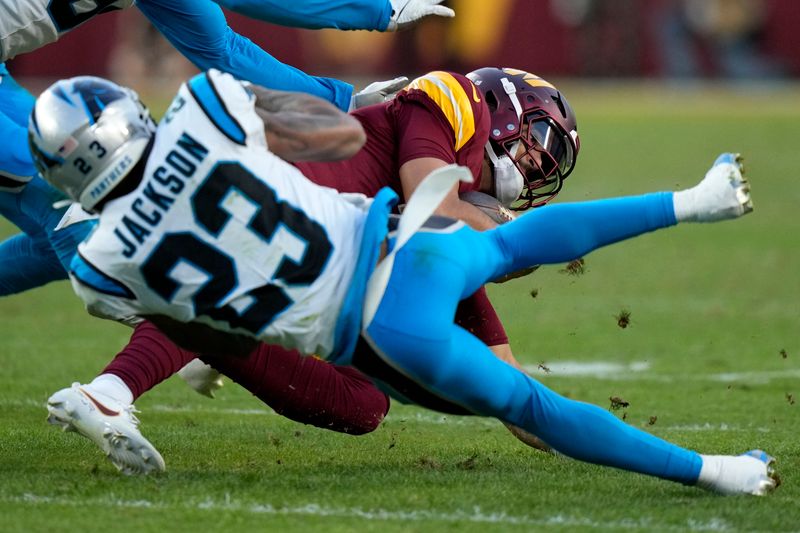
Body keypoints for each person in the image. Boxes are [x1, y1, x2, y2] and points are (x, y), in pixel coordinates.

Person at [30, 70, 777, 496]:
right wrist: (286, 119)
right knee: (514, 242)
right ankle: (692, 199)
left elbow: (194, 314)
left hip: (377, 326)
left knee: (532, 403)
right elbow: (349, 138)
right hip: (398, 245)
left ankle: (714, 473)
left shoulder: (101, 262)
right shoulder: (202, 109)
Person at [45, 67, 567, 473]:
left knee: (363, 404)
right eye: (536, 141)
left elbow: (506, 379)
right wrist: (516, 236)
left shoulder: (427, 230)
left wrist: (574, 433)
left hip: (200, 238)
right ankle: (105, 394)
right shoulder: (451, 105)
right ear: (499, 107)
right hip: (158, 213)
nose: (536, 165)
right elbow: (434, 215)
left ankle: (206, 347)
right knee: (235, 286)